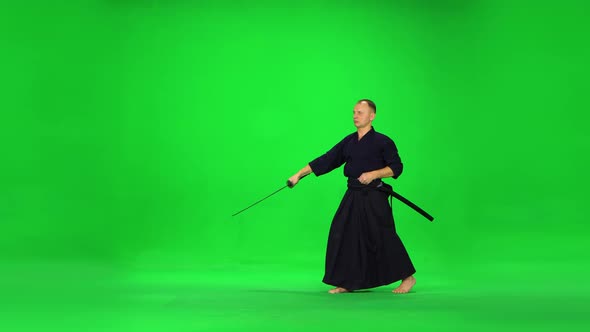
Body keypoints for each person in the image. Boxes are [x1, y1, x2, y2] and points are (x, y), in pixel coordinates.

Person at [288, 99, 417, 294]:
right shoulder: (349, 141)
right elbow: (327, 159)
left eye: (360, 112)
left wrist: (373, 174)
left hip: (374, 195)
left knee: (381, 235)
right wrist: (298, 174)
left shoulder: (383, 141)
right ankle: (347, 281)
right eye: (354, 112)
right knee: (343, 234)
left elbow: (397, 167)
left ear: (372, 116)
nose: (356, 116)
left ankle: (408, 278)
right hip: (353, 194)